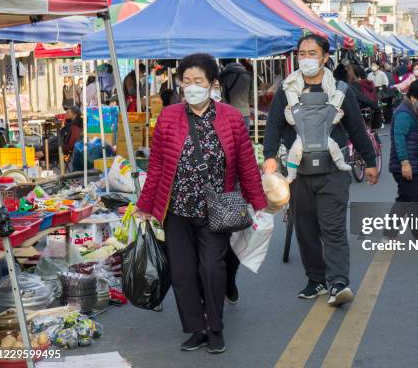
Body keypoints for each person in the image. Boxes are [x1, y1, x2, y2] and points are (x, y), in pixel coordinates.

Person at [135, 53, 266, 354]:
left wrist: (259, 202)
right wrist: (145, 204)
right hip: (176, 209)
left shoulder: (231, 118)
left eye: (198, 81)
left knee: (211, 268)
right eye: (187, 81)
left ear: (213, 85)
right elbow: (156, 166)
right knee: (182, 273)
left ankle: (216, 328)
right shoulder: (168, 116)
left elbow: (246, 164)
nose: (191, 87)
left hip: (216, 209)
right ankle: (197, 328)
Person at [263, 34, 378, 306]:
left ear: (325, 57)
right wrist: (269, 157)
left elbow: (356, 128)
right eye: (301, 53)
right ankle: (316, 280)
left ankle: (338, 283)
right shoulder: (287, 89)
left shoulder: (340, 90)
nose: (306, 59)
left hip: (333, 172)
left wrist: (370, 161)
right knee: (305, 229)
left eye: (312, 53)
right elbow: (274, 126)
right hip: (298, 172)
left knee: (333, 228)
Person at [389, 80, 418, 227]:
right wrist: (405, 163)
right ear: (414, 97)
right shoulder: (404, 113)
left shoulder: (415, 111)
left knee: (410, 200)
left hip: (415, 163)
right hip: (407, 165)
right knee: (410, 200)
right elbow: (399, 139)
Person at [218, 63, 252, 128]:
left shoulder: (226, 77)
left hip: (230, 112)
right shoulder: (248, 76)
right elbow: (251, 96)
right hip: (245, 111)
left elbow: (224, 95)